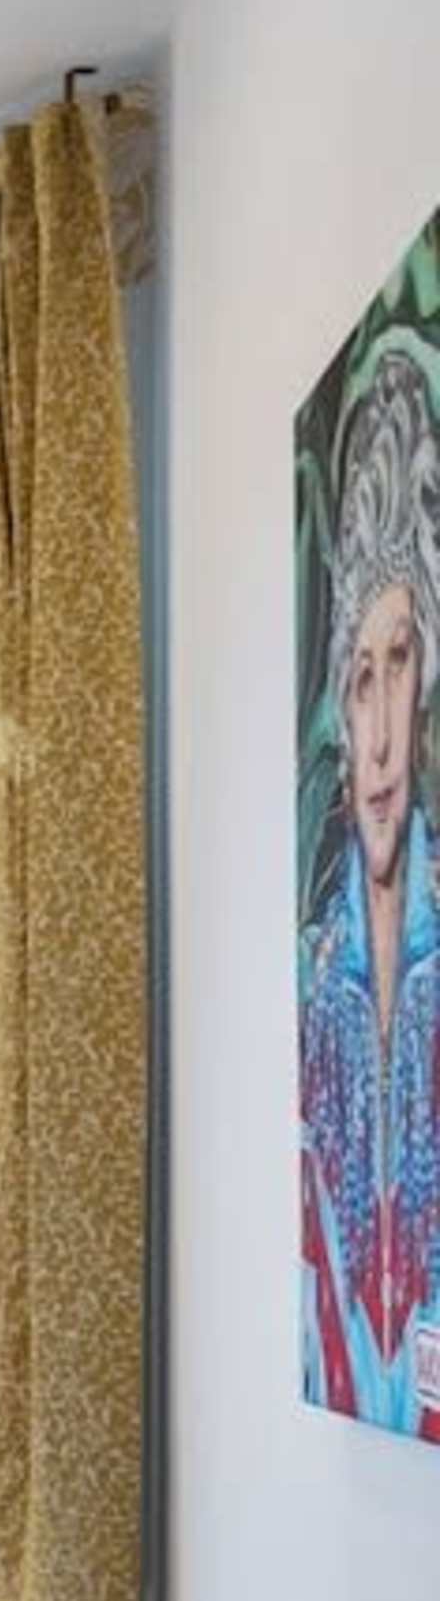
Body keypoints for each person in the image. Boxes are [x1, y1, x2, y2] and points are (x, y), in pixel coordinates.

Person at [301, 349, 440, 1425]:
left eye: (404, 662)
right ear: (343, 722)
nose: (385, 729)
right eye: (362, 678)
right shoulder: (317, 995)